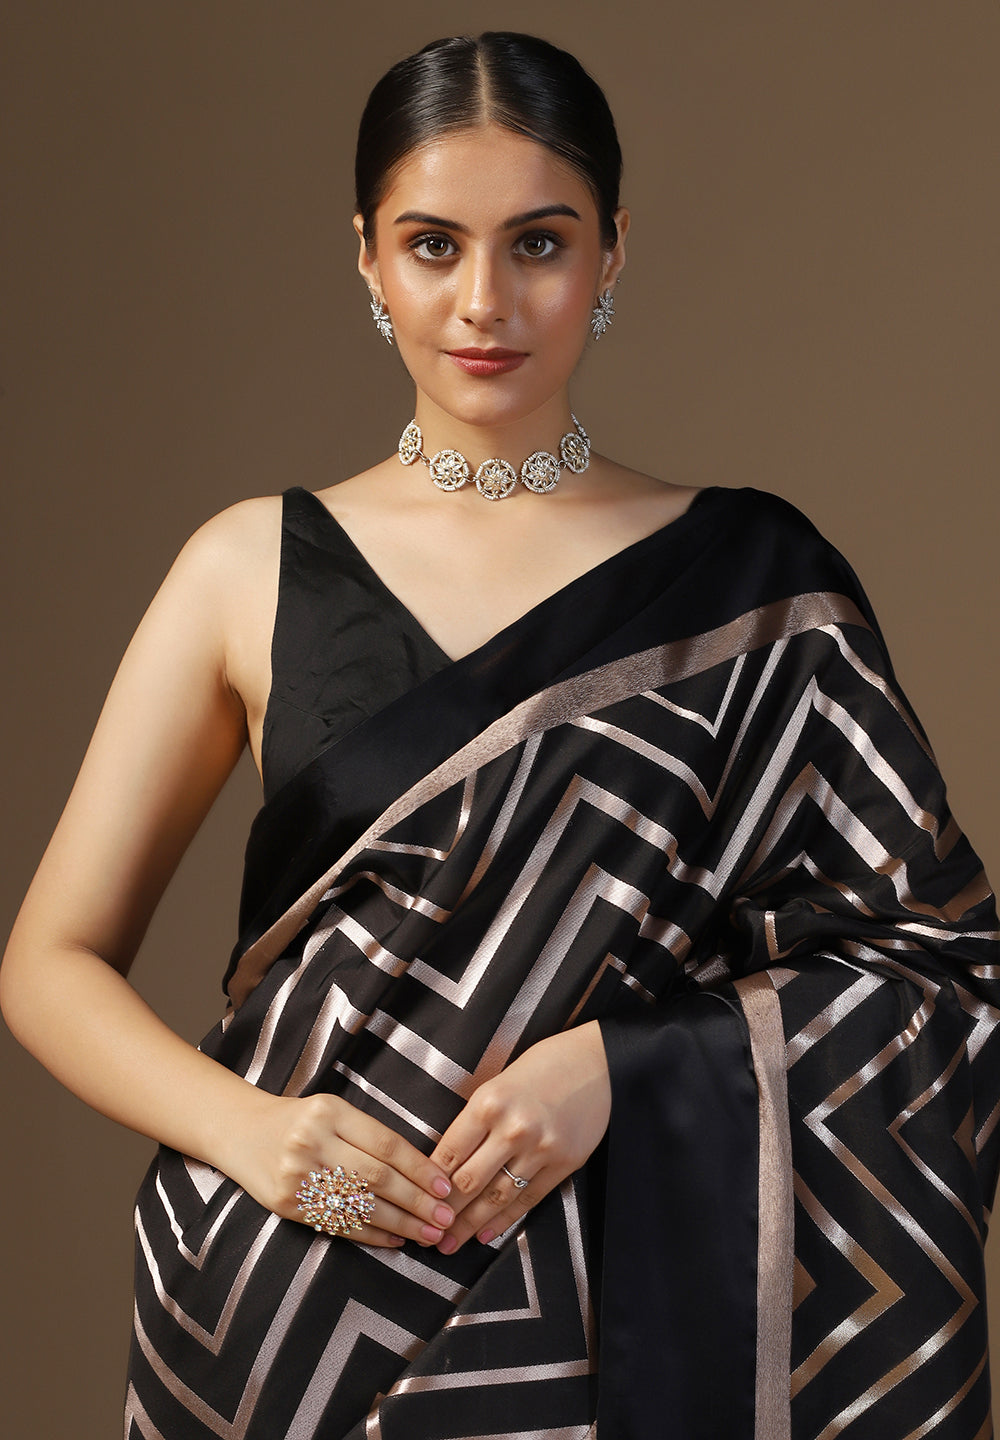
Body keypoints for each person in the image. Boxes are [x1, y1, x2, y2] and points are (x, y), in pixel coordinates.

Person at [2, 30, 998, 1440]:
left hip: (610, 1318)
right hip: (277, 1314)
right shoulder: (248, 568)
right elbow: (48, 962)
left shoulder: (757, 585)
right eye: (431, 245)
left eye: (539, 242)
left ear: (613, 250)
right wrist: (254, 1135)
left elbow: (937, 973)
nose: (484, 302)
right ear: (365, 257)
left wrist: (622, 1071)